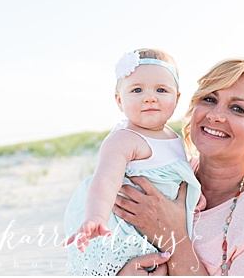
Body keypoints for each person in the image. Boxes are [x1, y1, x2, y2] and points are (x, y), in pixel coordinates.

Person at [114, 57, 244, 275]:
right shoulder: (156, 176)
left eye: (238, 109)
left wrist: (173, 236)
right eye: (209, 99)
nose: (215, 115)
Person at [63, 48, 202, 276]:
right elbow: (105, 179)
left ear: (176, 98)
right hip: (126, 231)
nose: (150, 97)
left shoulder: (173, 137)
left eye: (161, 89)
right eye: (137, 90)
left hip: (158, 229)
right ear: (119, 100)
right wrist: (96, 217)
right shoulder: (124, 139)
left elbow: (179, 173)